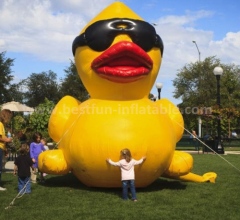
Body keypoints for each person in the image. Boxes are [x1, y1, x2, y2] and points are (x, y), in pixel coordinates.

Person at [0, 109, 13, 191]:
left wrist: (5, 150)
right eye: (9, 117)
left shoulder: (2, 125)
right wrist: (8, 140)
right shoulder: (0, 124)